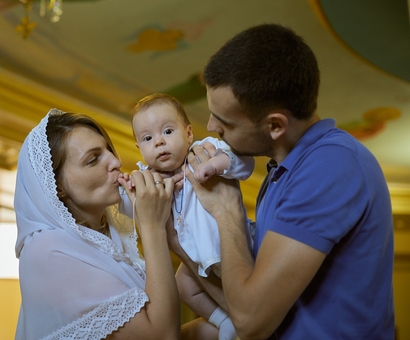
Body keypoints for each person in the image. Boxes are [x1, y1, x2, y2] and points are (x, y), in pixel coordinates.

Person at [169, 24, 395, 339]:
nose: (211, 127)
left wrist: (227, 211)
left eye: (225, 121)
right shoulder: (282, 171)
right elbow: (248, 310)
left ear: (275, 125)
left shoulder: (330, 165)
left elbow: (251, 322)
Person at [14, 108, 181, 339]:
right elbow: (162, 336)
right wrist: (152, 227)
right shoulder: (46, 249)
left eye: (109, 150)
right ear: (57, 187)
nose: (116, 161)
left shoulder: (106, 240)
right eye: (93, 159)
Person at [119, 93, 254, 340]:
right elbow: (135, 212)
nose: (159, 142)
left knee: (246, 291)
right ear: (139, 147)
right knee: (182, 285)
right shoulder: (149, 179)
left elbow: (244, 163)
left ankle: (247, 318)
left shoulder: (202, 152)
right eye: (148, 138)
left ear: (188, 133)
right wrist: (131, 191)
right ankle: (225, 320)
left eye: (168, 131)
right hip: (194, 257)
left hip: (228, 245)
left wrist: (215, 166)